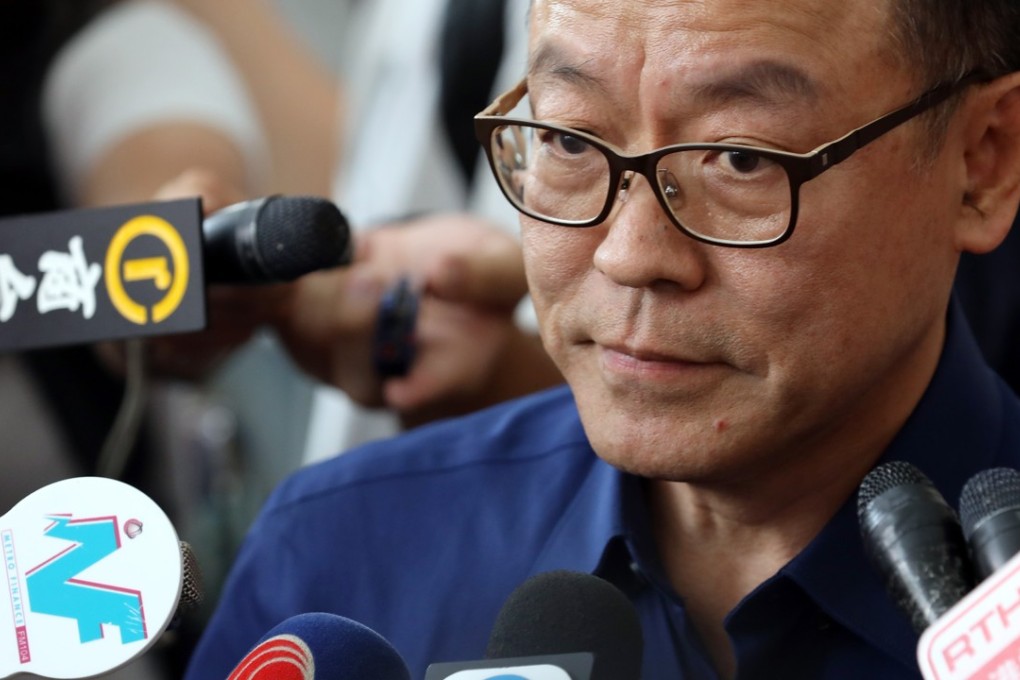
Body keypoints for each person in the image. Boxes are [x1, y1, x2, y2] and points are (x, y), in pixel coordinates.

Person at [184, 0, 1020, 678]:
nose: (631, 254)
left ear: (983, 161)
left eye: (739, 160)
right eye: (567, 139)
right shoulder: (336, 563)